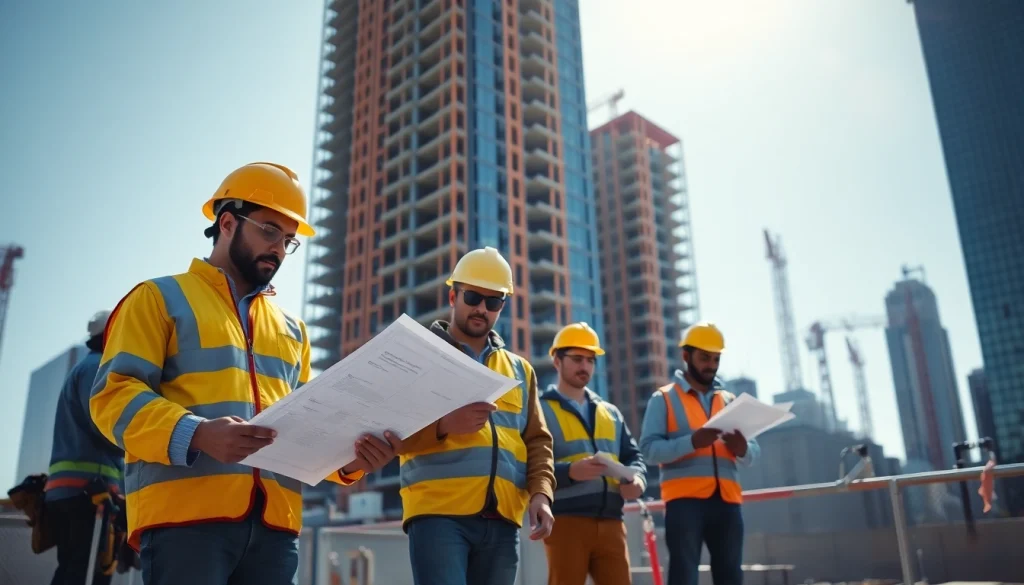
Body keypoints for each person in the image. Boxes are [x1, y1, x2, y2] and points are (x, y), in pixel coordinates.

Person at [89, 162, 400, 585]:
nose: (278, 248)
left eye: (288, 240)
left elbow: (311, 428)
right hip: (185, 524)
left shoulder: (293, 330)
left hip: (275, 530)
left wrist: (352, 461)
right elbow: (113, 397)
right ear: (228, 223)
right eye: (269, 230)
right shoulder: (159, 298)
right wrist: (196, 433)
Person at [396, 246, 556, 585]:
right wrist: (443, 426)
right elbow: (390, 434)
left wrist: (541, 493)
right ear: (453, 296)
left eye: (493, 301)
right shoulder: (419, 357)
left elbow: (538, 441)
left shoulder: (519, 371)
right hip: (438, 516)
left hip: (502, 520)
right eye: (472, 297)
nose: (482, 308)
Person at [639, 322, 760, 585]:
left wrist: (742, 449)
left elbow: (753, 453)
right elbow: (648, 451)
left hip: (728, 503)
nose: (711, 365)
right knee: (684, 576)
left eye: (716, 358)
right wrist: (692, 442)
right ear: (686, 356)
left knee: (730, 577)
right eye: (704, 357)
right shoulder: (663, 399)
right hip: (684, 504)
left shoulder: (729, 400)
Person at [540, 322, 647, 585]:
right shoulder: (539, 409)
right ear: (557, 361)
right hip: (566, 522)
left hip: (612, 521)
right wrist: (569, 472)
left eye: (590, 360)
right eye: (577, 359)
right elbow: (528, 464)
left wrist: (638, 482)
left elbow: (634, 458)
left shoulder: (610, 412)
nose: (584, 366)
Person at [44, 310, 123, 585]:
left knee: (72, 569)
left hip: (70, 490)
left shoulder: (85, 368)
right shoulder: (98, 369)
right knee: (87, 573)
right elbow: (104, 425)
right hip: (89, 491)